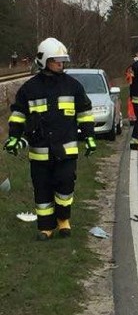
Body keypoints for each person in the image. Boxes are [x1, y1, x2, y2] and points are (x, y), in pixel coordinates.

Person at [3, 37, 96, 240]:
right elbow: (19, 115)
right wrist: (14, 138)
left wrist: (89, 137)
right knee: (42, 190)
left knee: (65, 186)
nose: (60, 65)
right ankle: (45, 227)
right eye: (56, 61)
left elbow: (85, 114)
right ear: (44, 61)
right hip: (40, 152)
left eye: (63, 61)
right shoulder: (29, 89)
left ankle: (63, 219)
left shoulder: (73, 87)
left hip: (66, 150)